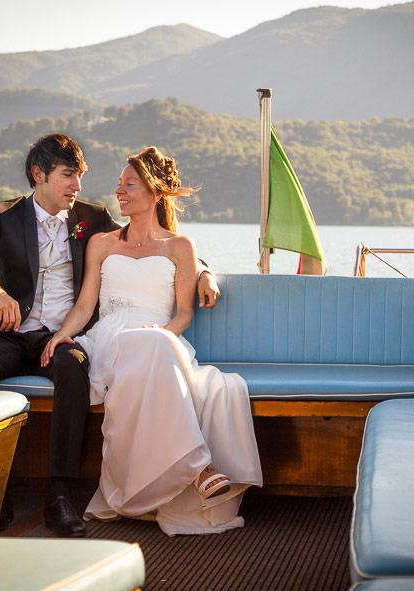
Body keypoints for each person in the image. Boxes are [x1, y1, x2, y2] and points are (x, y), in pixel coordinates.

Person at [0, 134, 221, 537]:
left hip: (65, 337)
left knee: (73, 371)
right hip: (9, 335)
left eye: (80, 176)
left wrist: (205, 271)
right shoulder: (4, 216)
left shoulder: (92, 217)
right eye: (69, 175)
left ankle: (59, 498)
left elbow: (151, 242)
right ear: (39, 175)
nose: (78, 186)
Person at [41, 146, 262, 535]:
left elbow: (184, 315)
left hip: (162, 339)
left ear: (156, 192)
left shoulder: (181, 247)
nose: (120, 191)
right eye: (119, 184)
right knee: (147, 346)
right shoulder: (103, 243)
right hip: (111, 338)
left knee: (155, 345)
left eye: (131, 184)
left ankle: (193, 467)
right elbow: (85, 304)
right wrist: (60, 336)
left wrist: (161, 333)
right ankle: (200, 467)